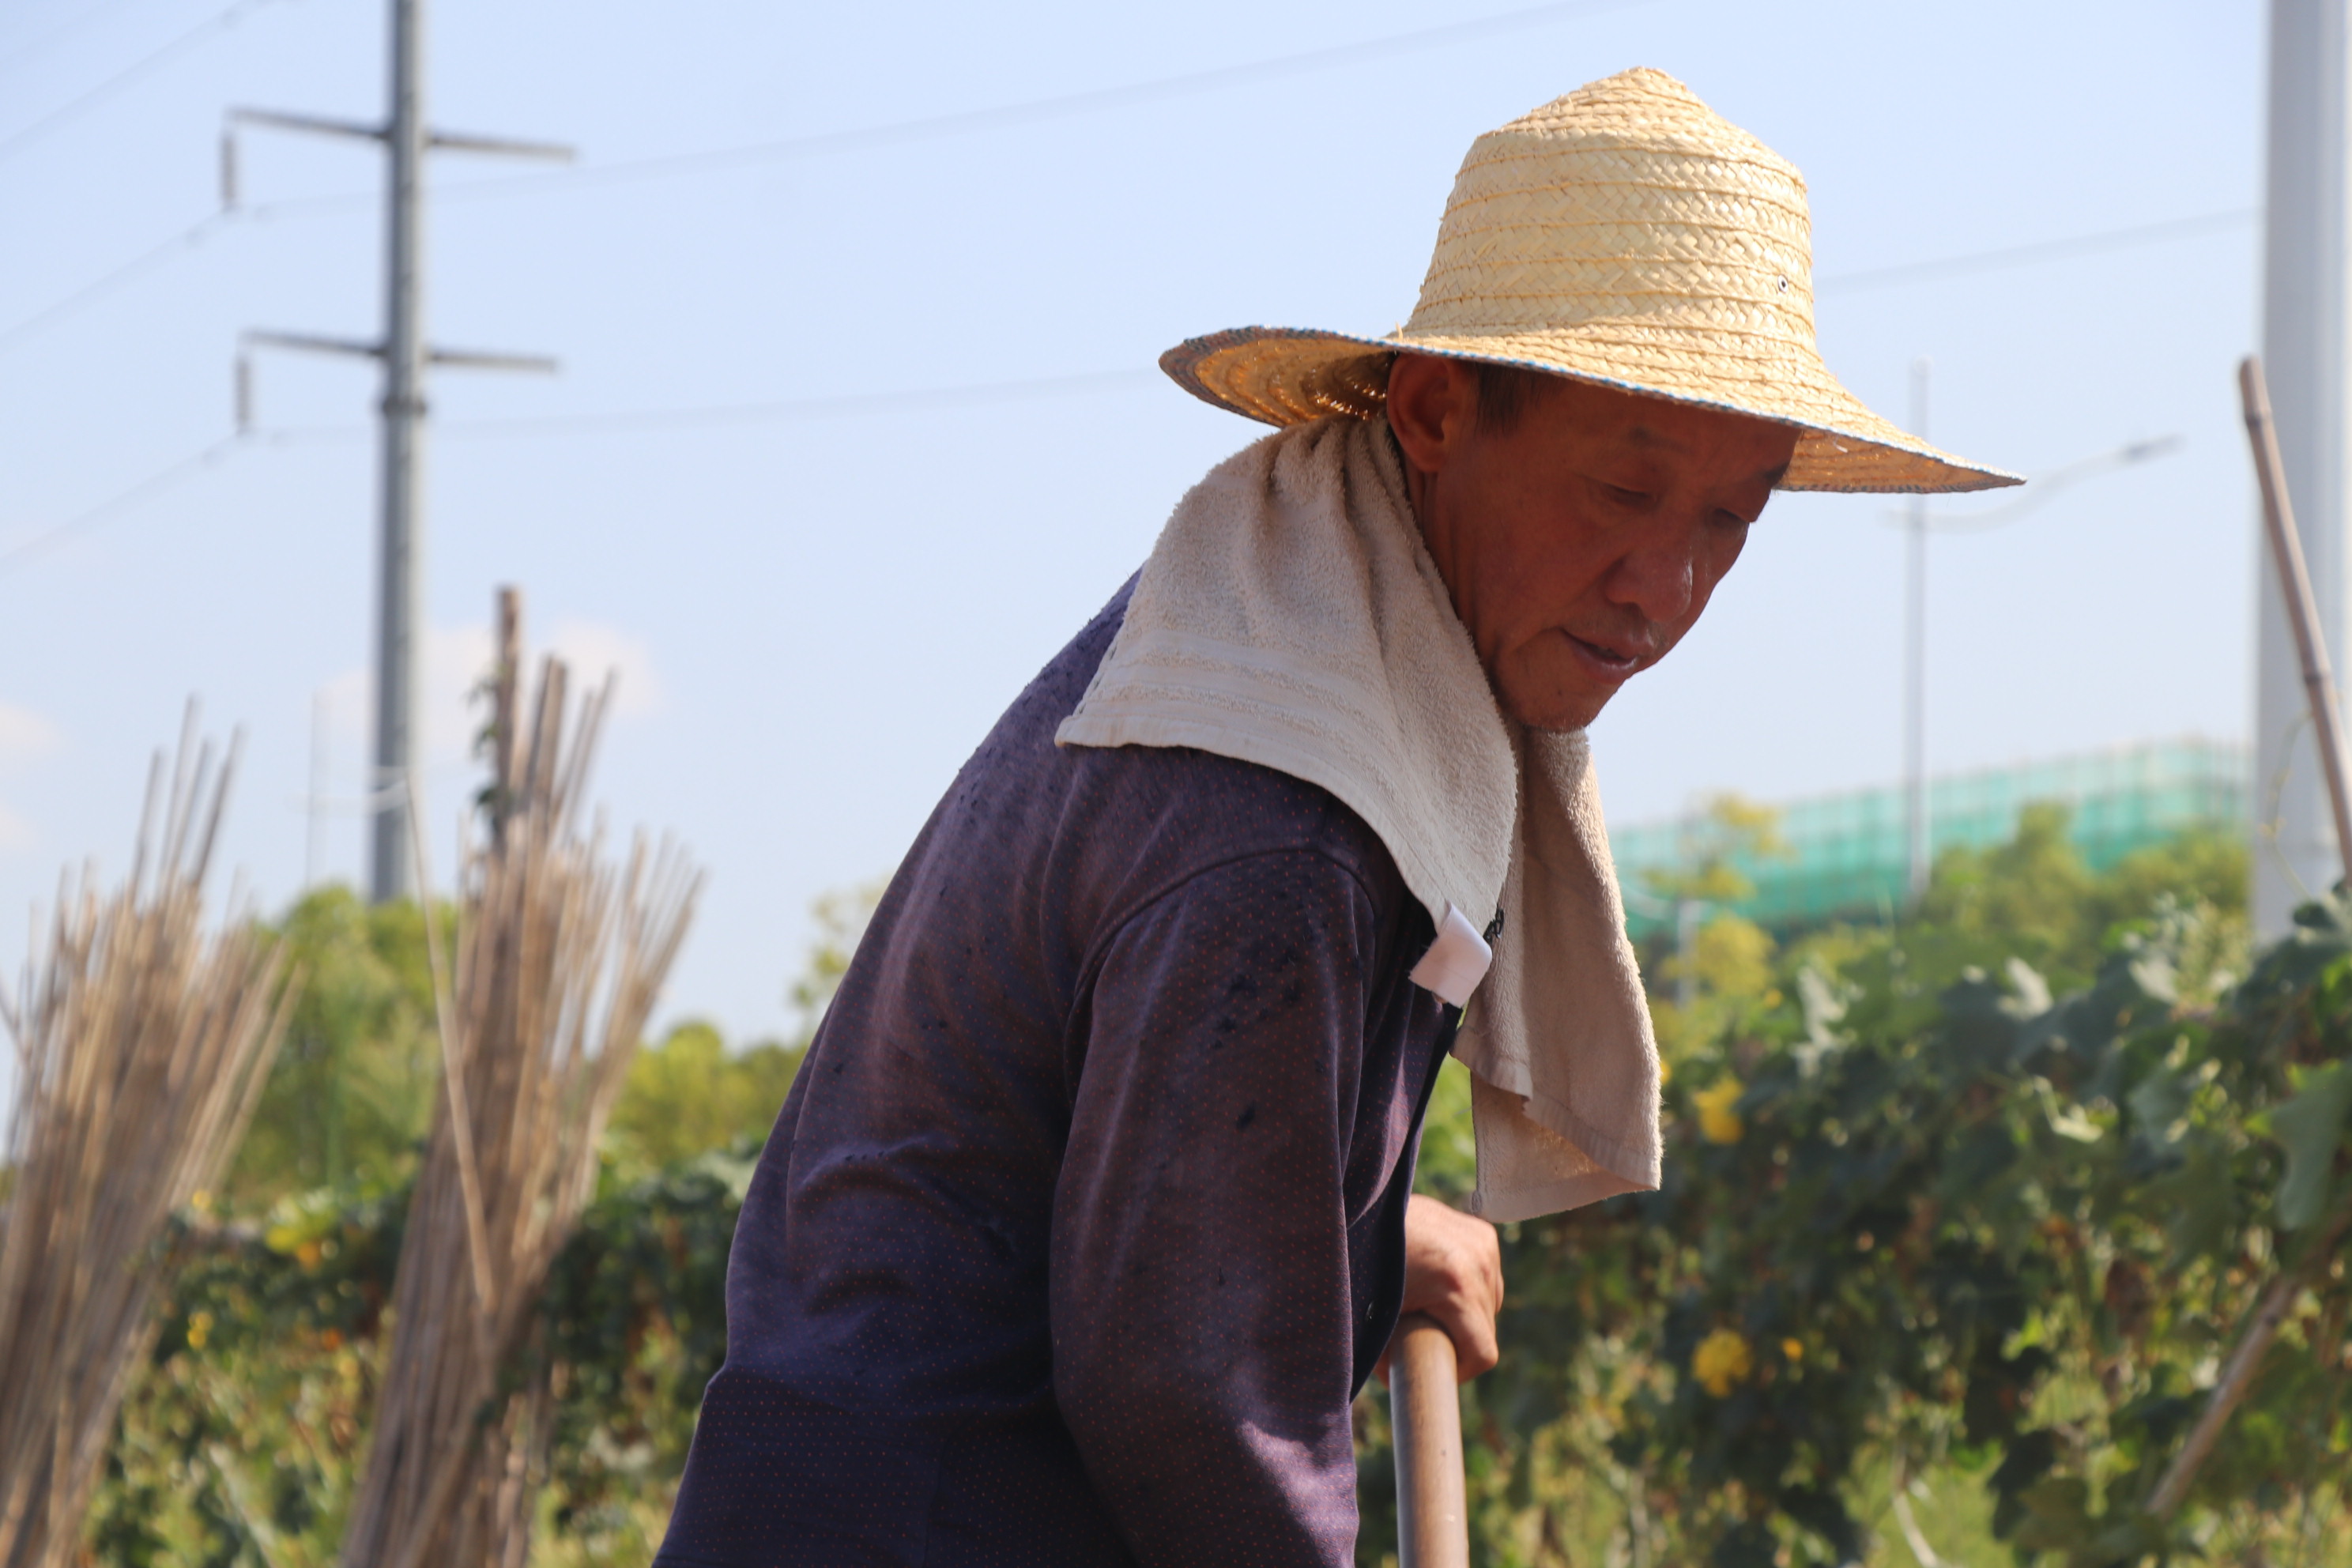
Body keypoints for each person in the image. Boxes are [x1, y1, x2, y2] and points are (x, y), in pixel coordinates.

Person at [654, 66, 2011, 1568]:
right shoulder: (1278, 821)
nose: (1665, 587)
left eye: (1726, 520)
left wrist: (1353, 1242)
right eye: (1621, 490)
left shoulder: (1280, 628)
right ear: (1434, 411)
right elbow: (1187, 1390)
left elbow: (1141, 1191)